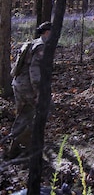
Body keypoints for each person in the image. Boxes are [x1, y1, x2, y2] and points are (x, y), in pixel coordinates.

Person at [5, 22, 51, 160]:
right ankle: (23, 145)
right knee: (35, 115)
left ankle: (15, 148)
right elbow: (34, 71)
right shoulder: (40, 46)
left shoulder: (32, 43)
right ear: (47, 32)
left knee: (23, 115)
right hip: (28, 87)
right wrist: (39, 93)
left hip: (18, 84)